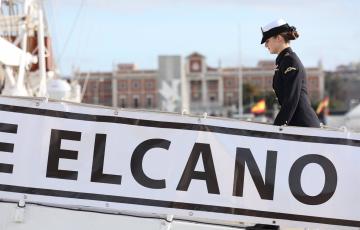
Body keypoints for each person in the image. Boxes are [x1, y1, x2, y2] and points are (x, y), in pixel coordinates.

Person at [261, 19, 320, 128]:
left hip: (303, 126)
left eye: (267, 41)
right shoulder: (284, 61)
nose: (265, 45)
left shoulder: (290, 61)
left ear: (278, 38)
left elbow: (291, 99)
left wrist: (277, 127)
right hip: (296, 126)